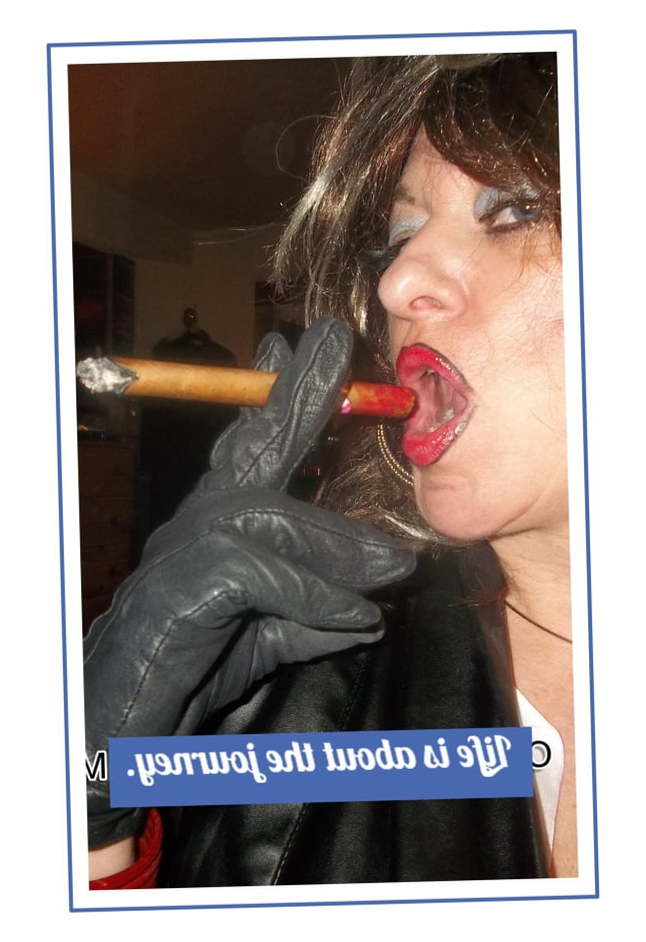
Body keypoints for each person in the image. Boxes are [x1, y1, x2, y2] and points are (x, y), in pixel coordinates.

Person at [85, 51, 575, 888]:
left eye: (517, 209)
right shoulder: (307, 683)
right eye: (399, 238)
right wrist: (89, 800)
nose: (398, 283)